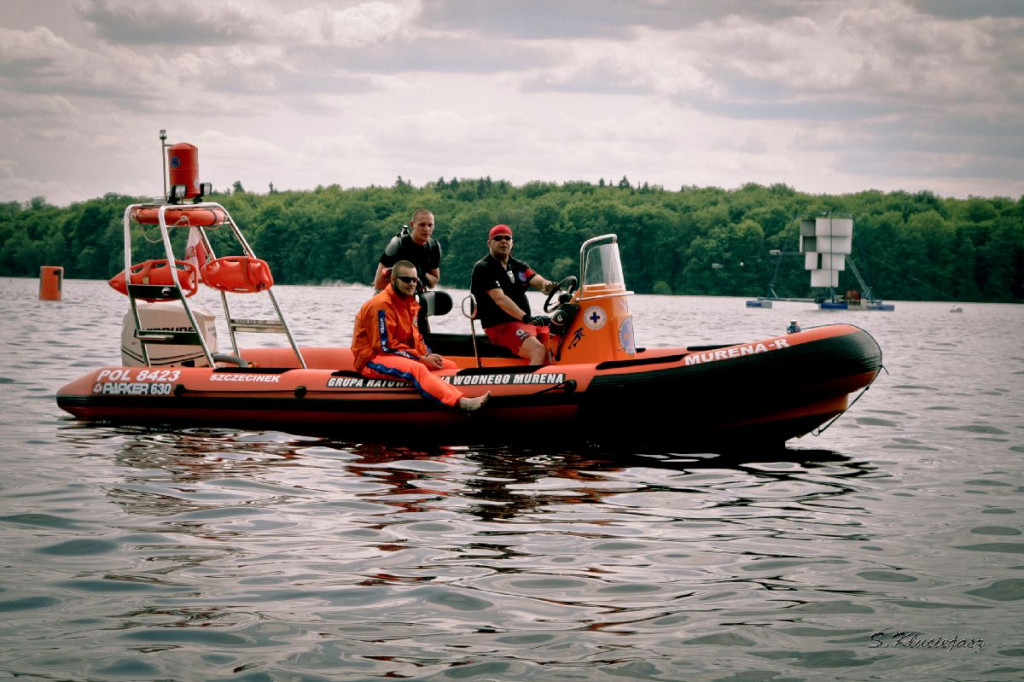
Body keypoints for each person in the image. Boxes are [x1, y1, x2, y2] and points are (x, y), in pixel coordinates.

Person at [352, 260, 490, 412]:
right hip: (372, 359)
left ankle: (454, 394)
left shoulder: (407, 303)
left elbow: (415, 338)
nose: (412, 284)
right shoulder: (381, 305)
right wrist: (420, 359)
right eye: (406, 279)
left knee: (449, 365)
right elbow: (385, 347)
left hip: (396, 354)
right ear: (393, 279)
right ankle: (461, 403)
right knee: (417, 368)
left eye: (414, 280)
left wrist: (427, 354)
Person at [470, 223, 557, 365]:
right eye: (498, 238)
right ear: (489, 243)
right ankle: (532, 386)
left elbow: (539, 281)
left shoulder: (519, 266)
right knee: (539, 351)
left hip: (524, 323)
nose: (503, 241)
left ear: (512, 242)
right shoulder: (483, 268)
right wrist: (526, 318)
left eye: (507, 238)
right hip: (500, 327)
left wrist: (550, 287)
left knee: (557, 344)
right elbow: (500, 299)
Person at [373, 209, 441, 293]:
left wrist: (420, 273)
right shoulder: (397, 244)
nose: (427, 229)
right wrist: (405, 277)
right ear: (412, 224)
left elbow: (433, 283)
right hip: (391, 296)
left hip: (415, 296)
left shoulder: (433, 246)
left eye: (430, 225)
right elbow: (378, 284)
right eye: (422, 225)